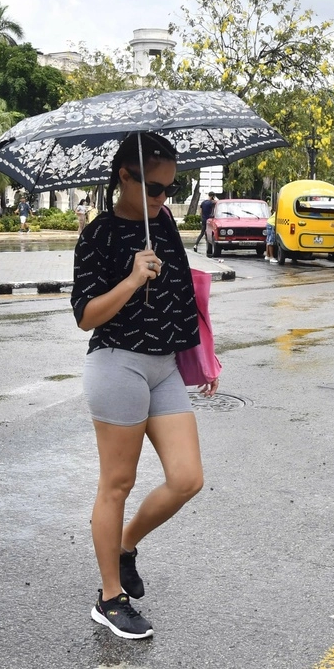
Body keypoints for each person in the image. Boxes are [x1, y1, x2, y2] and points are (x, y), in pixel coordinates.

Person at [72, 132, 218, 641]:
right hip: (118, 365)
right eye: (155, 188)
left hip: (165, 366)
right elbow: (86, 316)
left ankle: (125, 544)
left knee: (187, 478)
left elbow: (181, 294)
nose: (163, 197)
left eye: (171, 188)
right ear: (124, 176)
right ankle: (110, 599)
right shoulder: (98, 235)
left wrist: (203, 357)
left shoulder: (166, 223)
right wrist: (132, 279)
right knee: (117, 483)